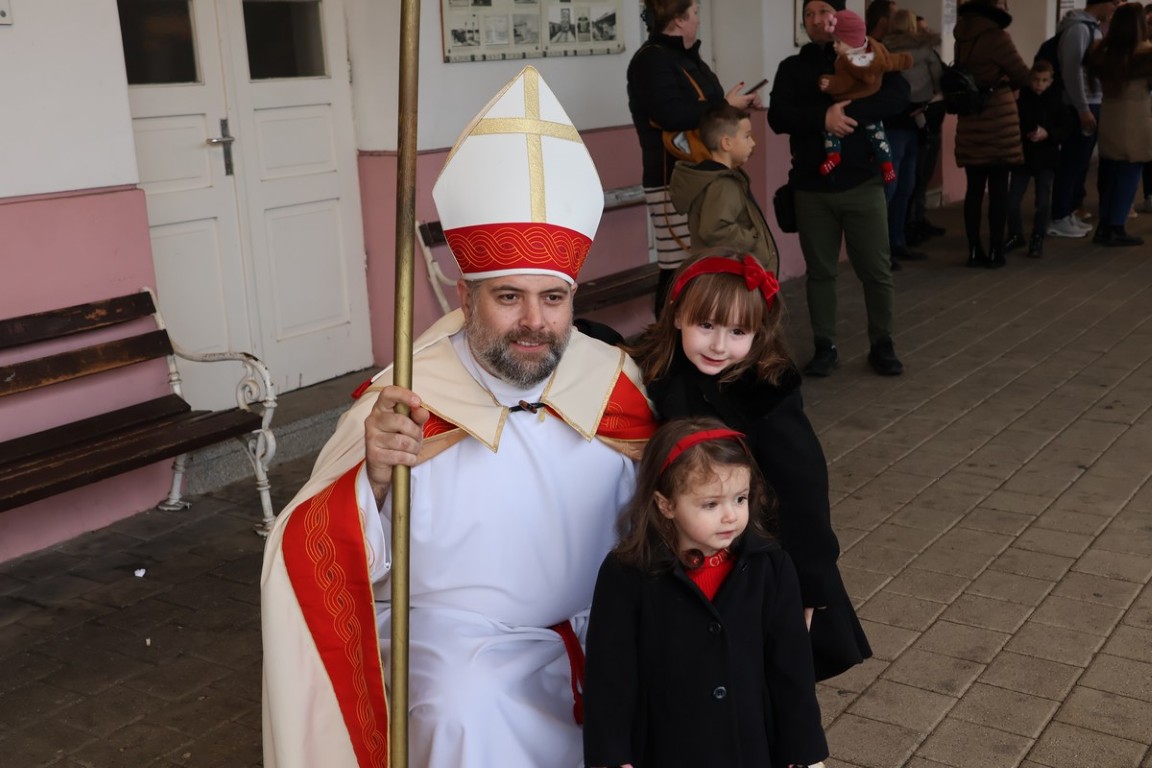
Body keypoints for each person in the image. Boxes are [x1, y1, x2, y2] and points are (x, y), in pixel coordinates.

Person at [260, 67, 658, 768]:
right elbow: (309, 543)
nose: (534, 322)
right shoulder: (408, 397)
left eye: (553, 299)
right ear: (466, 298)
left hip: (607, 627)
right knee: (462, 711)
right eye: (508, 297)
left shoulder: (611, 380)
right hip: (460, 642)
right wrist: (373, 477)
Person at [627, 249, 872, 681]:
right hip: (679, 548)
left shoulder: (764, 392)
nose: (719, 345)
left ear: (759, 334)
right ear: (678, 315)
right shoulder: (658, 365)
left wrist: (807, 589)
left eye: (738, 331)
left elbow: (803, 492)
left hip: (749, 556)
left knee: (757, 670)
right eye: (706, 325)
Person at [582, 417, 830, 768]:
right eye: (711, 505)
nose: (731, 516)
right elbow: (610, 674)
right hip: (665, 747)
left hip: (751, 745)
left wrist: (801, 751)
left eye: (740, 498)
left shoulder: (771, 567)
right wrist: (611, 755)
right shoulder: (627, 573)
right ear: (666, 505)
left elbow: (791, 668)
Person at [768, 0, 910, 378]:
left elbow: (898, 95)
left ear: (840, 17)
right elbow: (778, 117)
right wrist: (822, 118)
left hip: (863, 183)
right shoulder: (793, 67)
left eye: (823, 12)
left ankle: (883, 344)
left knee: (876, 270)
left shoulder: (868, 53)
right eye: (808, 14)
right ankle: (824, 346)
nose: (816, 20)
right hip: (812, 188)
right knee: (820, 272)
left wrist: (845, 114)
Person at [627, 0, 760, 316]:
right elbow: (671, 114)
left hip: (704, 173)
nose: (699, 20)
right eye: (695, 13)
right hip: (672, 178)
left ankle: (694, 337)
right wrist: (723, 106)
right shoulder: (651, 60)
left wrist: (730, 109)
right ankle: (666, 339)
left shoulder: (687, 58)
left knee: (703, 264)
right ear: (678, 19)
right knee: (677, 269)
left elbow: (702, 112)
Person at [951, 0, 1031, 269]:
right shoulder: (997, 37)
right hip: (997, 120)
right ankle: (996, 250)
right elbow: (1022, 75)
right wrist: (1005, 82)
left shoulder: (961, 35)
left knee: (974, 190)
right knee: (998, 190)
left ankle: (974, 250)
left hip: (970, 118)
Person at [668, 103, 780, 274]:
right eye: (747, 136)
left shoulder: (716, 179)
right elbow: (714, 230)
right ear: (726, 143)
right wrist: (754, 237)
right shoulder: (723, 185)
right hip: (732, 275)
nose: (752, 142)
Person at [1047, 0, 1119, 239]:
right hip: (1079, 105)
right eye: (1113, 4)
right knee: (1072, 161)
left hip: (1091, 101)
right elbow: (1073, 71)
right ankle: (1059, 216)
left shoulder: (1091, 28)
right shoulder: (1078, 29)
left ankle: (1067, 211)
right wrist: (1083, 108)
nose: (1114, 10)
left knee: (1080, 162)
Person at [817, 9, 913, 184]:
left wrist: (829, 84)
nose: (834, 46)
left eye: (838, 42)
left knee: (878, 136)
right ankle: (835, 155)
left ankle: (886, 165)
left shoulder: (855, 58)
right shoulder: (848, 57)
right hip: (856, 110)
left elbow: (845, 82)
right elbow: (890, 62)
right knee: (873, 135)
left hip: (856, 108)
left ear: (852, 42)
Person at [1086, 2, 1152, 247]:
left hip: (1110, 114)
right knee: (1129, 174)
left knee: (1111, 173)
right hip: (1135, 117)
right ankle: (1116, 226)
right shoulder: (1145, 54)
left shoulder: (1104, 51)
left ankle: (1105, 225)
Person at [883, 8, 944, 263]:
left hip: (889, 120)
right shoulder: (925, 50)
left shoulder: (881, 49)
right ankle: (897, 240)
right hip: (915, 120)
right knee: (907, 184)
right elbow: (939, 82)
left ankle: (881, 246)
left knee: (889, 184)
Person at [1004, 59, 1067, 259]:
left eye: (1044, 80)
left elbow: (1065, 127)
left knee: (1043, 201)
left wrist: (1048, 134)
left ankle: (1037, 236)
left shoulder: (1057, 99)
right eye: (1036, 79)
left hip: (1046, 156)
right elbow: (1015, 123)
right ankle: (1015, 234)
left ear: (1050, 81)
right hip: (1023, 155)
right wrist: (1026, 133)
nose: (1039, 84)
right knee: (1013, 200)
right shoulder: (1022, 98)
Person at [906, 16, 949, 246]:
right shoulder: (911, 56)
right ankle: (911, 223)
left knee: (924, 176)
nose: (925, 32)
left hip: (933, 122)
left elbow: (942, 78)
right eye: (919, 29)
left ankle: (919, 218)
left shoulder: (928, 53)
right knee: (915, 176)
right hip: (920, 122)